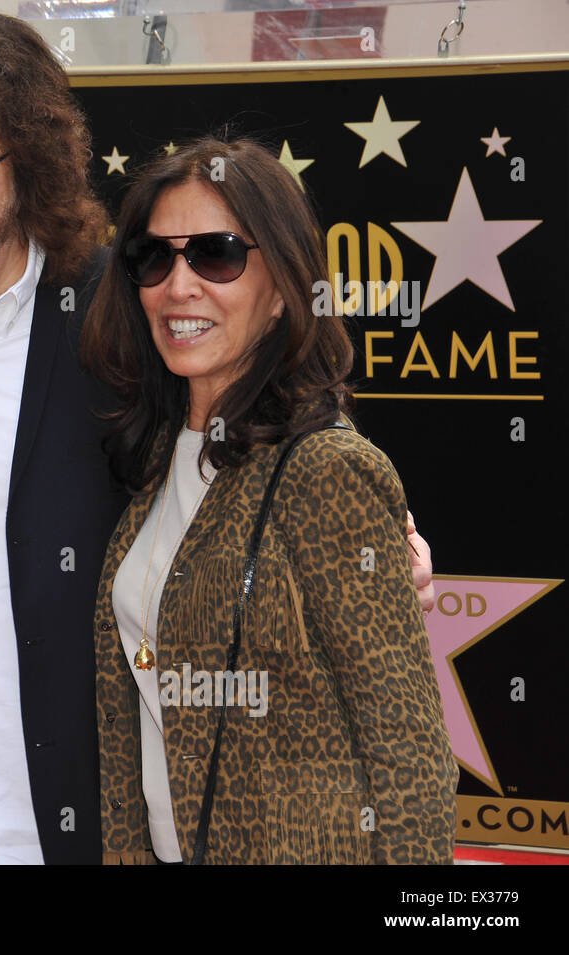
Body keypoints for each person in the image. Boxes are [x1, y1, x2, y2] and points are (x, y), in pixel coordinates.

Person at [0, 7, 437, 865]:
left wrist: (378, 554)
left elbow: (265, 428)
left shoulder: (118, 310)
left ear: (32, 167)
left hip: (80, 837)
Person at [83, 136, 457, 864]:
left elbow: (407, 749)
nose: (178, 284)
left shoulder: (326, 471)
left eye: (215, 254)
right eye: (154, 258)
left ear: (284, 287)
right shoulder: (152, 461)